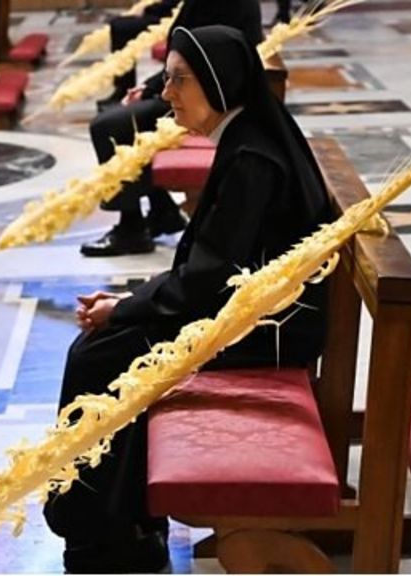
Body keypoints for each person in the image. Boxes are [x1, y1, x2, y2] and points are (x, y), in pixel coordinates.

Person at [45, 25, 332, 573]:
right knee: (109, 348)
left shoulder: (252, 158)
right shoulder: (245, 138)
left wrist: (123, 308)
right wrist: (131, 301)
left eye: (178, 80)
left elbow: (206, 277)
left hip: (270, 331)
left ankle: (104, 534)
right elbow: (208, 270)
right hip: (252, 312)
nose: (168, 92)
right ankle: (119, 521)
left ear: (220, 84)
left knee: (99, 355)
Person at [80, 0, 264, 257]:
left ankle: (131, 229)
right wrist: (150, 87)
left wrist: (155, 88)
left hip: (210, 99)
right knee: (121, 122)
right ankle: (162, 210)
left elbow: (200, 56)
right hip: (195, 88)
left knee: (109, 127)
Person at [96, 0, 181, 112]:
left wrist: (148, 10)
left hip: (177, 17)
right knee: (119, 25)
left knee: (122, 28)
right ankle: (122, 88)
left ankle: (126, 91)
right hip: (172, 12)